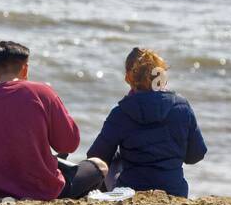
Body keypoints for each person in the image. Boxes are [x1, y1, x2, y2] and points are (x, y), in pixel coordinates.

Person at [0, 40, 107, 201]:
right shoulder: (43, 93)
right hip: (41, 191)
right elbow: (69, 144)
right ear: (25, 69)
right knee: (99, 165)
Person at [85, 48, 206, 197]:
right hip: (175, 192)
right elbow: (196, 155)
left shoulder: (122, 112)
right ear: (161, 75)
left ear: (129, 78)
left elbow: (97, 156)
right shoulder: (182, 107)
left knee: (112, 161)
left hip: (130, 192)